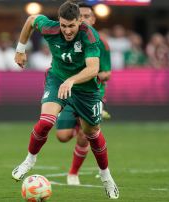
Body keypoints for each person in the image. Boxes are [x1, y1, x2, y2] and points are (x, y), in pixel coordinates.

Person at [11, 1, 119, 199]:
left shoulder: (89, 35)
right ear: (59, 22)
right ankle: (29, 160)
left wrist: (72, 80)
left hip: (85, 89)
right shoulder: (50, 28)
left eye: (71, 26)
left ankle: (106, 177)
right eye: (63, 25)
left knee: (91, 134)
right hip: (58, 79)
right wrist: (20, 49)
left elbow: (93, 69)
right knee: (45, 122)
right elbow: (31, 20)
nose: (67, 30)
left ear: (79, 21)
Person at [54, 2, 113, 186]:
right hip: (69, 92)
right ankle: (79, 125)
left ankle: (73, 173)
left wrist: (89, 73)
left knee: (84, 136)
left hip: (90, 93)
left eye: (88, 16)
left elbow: (106, 73)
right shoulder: (67, 36)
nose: (85, 19)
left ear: (93, 19)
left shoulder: (100, 42)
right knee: (62, 136)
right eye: (83, 16)